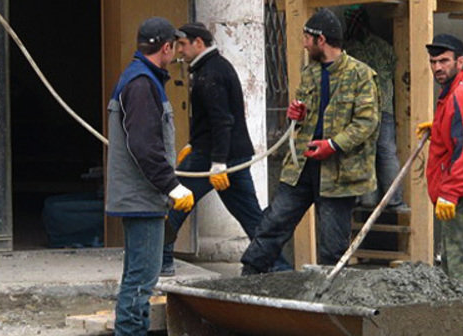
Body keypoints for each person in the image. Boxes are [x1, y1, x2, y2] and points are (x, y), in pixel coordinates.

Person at [240, 8, 380, 275]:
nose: (304, 43)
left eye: (307, 38)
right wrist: (298, 115)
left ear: (321, 40)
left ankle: (329, 298)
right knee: (273, 223)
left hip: (338, 173)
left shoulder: (361, 75)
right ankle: (249, 275)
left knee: (332, 244)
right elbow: (307, 113)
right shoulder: (310, 72)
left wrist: (332, 145)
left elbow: (366, 123)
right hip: (301, 166)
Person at [161, 22, 291, 276]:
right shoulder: (210, 68)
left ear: (199, 43)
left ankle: (162, 260)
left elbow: (222, 121)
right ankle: (278, 267)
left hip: (216, 156)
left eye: (183, 45)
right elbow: (210, 120)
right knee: (250, 214)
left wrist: (218, 162)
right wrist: (193, 143)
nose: (179, 51)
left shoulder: (211, 73)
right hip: (225, 153)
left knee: (174, 201)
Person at [105, 17, 194, 335]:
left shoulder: (143, 79)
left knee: (141, 277)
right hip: (140, 198)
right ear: (166, 47)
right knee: (141, 281)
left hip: (143, 196)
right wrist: (173, 186)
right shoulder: (141, 83)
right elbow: (143, 145)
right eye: (176, 46)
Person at [416, 34, 463, 283]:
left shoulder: (461, 96)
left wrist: (449, 193)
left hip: (462, 193)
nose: (437, 67)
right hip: (460, 191)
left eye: (444, 61)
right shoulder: (455, 93)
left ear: (460, 62)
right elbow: (460, 137)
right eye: (433, 61)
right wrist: (439, 128)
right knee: (452, 263)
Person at [344, 5, 407, 212]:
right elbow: (393, 66)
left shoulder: (348, 50)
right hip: (384, 108)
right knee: (386, 152)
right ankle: (393, 200)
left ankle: (367, 199)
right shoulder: (382, 46)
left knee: (363, 153)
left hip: (360, 111)